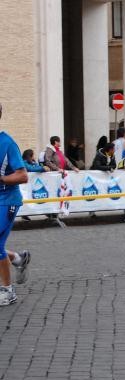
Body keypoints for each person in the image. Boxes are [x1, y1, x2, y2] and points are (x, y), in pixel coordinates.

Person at [0, 102, 30, 305]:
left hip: (7, 200)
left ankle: (7, 291)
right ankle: (18, 258)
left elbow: (22, 175)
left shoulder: (7, 143)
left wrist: (1, 179)